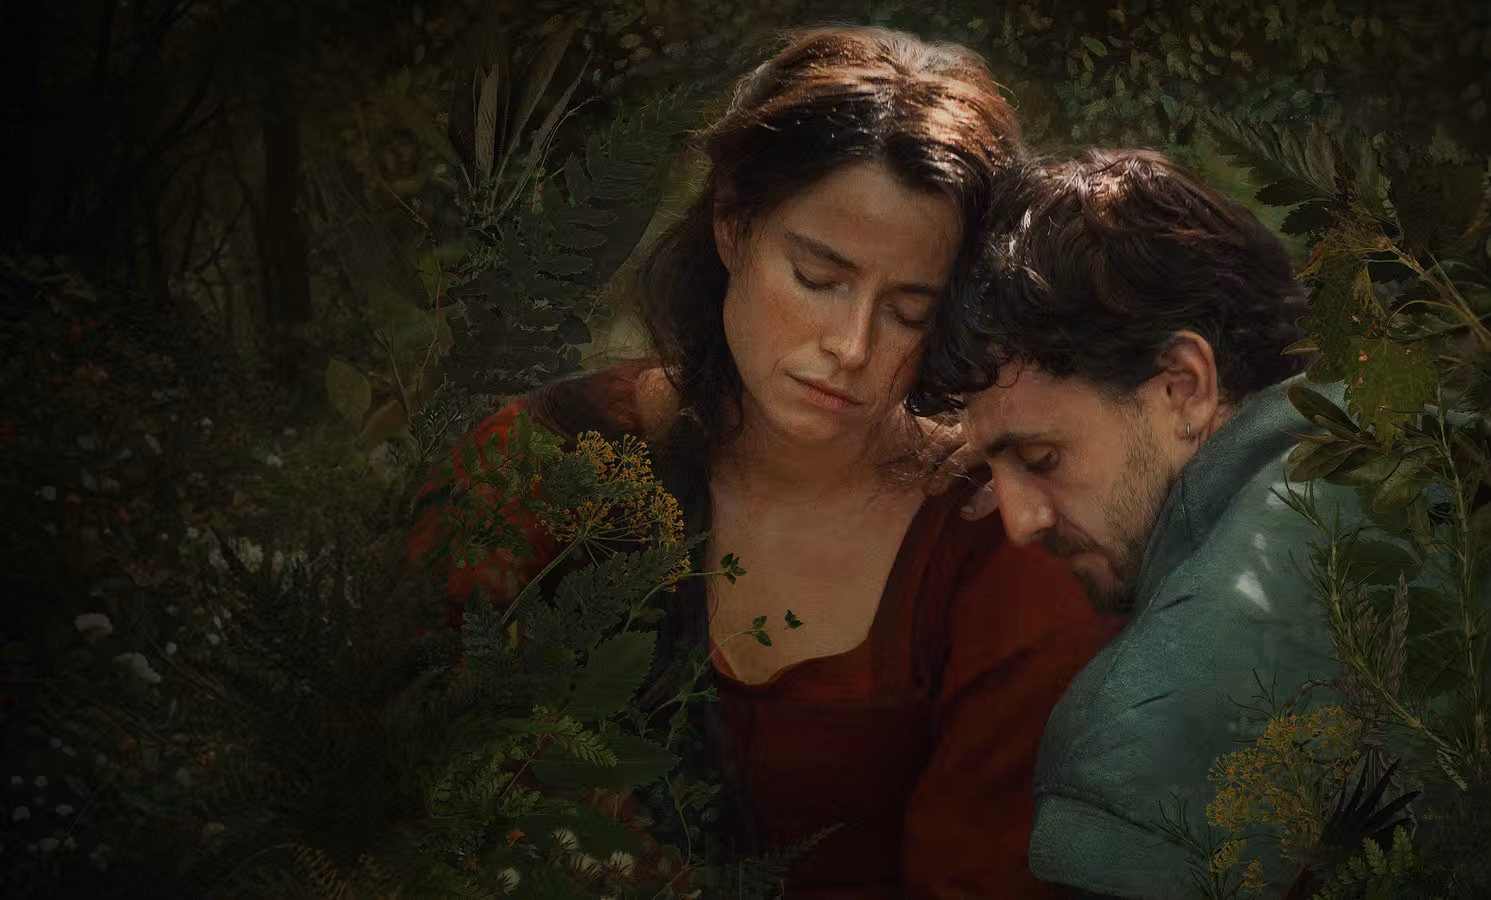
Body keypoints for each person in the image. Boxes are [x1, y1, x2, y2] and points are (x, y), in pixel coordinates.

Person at [409, 27, 1123, 899]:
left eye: (908, 311)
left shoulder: (1000, 548)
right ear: (731, 224)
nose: (850, 347)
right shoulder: (544, 461)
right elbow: (374, 769)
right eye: (818, 278)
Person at [909, 149, 1415, 898]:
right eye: (993, 471)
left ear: (1184, 387)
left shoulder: (1147, 734)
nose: (1019, 522)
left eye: (1042, 457)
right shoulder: (1417, 443)